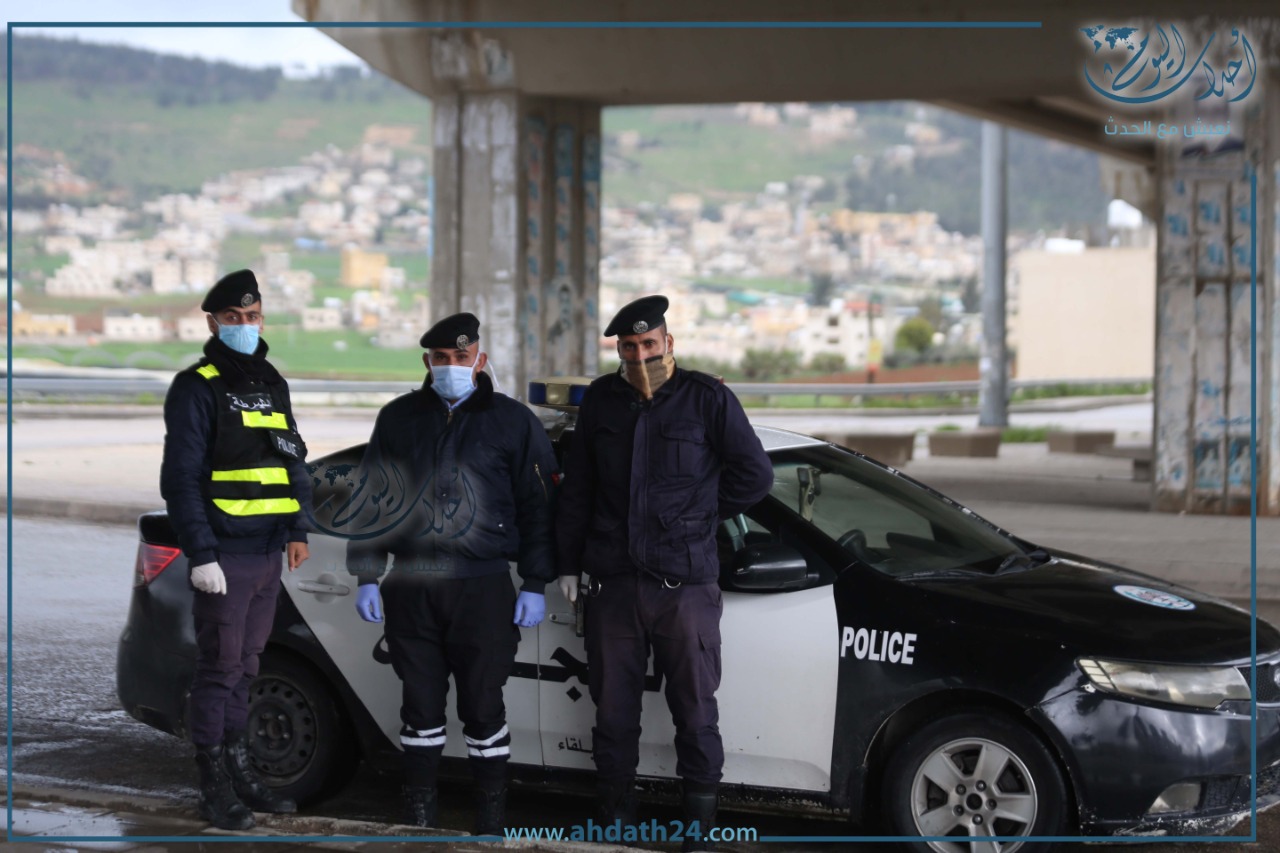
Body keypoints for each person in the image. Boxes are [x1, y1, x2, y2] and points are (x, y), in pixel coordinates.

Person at [555, 295, 773, 851]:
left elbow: (754, 475)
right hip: (614, 585)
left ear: (668, 342)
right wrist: (567, 564)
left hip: (684, 588)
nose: (640, 355)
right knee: (613, 714)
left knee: (695, 713)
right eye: (629, 347)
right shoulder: (601, 400)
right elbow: (578, 490)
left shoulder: (707, 398)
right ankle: (616, 826)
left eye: (648, 344)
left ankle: (696, 833)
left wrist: (699, 517)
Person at [345, 312, 558, 835]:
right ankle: (419, 819)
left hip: (482, 587)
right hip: (411, 586)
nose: (451, 366)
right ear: (427, 362)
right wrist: (367, 573)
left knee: (484, 708)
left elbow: (540, 508)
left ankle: (490, 820)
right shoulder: (398, 418)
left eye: (461, 357)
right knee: (419, 708)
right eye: (441, 358)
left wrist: (535, 582)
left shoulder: (513, 421)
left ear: (479, 359)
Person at [160, 269, 312, 831]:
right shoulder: (196, 386)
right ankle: (213, 785)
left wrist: (298, 529)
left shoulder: (272, 382)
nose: (244, 325)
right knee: (219, 670)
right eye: (233, 318)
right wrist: (201, 554)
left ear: (261, 319)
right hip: (224, 555)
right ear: (213, 323)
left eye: (251, 316)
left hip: (268, 553)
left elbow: (292, 460)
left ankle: (241, 768)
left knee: (247, 668)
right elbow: (180, 478)